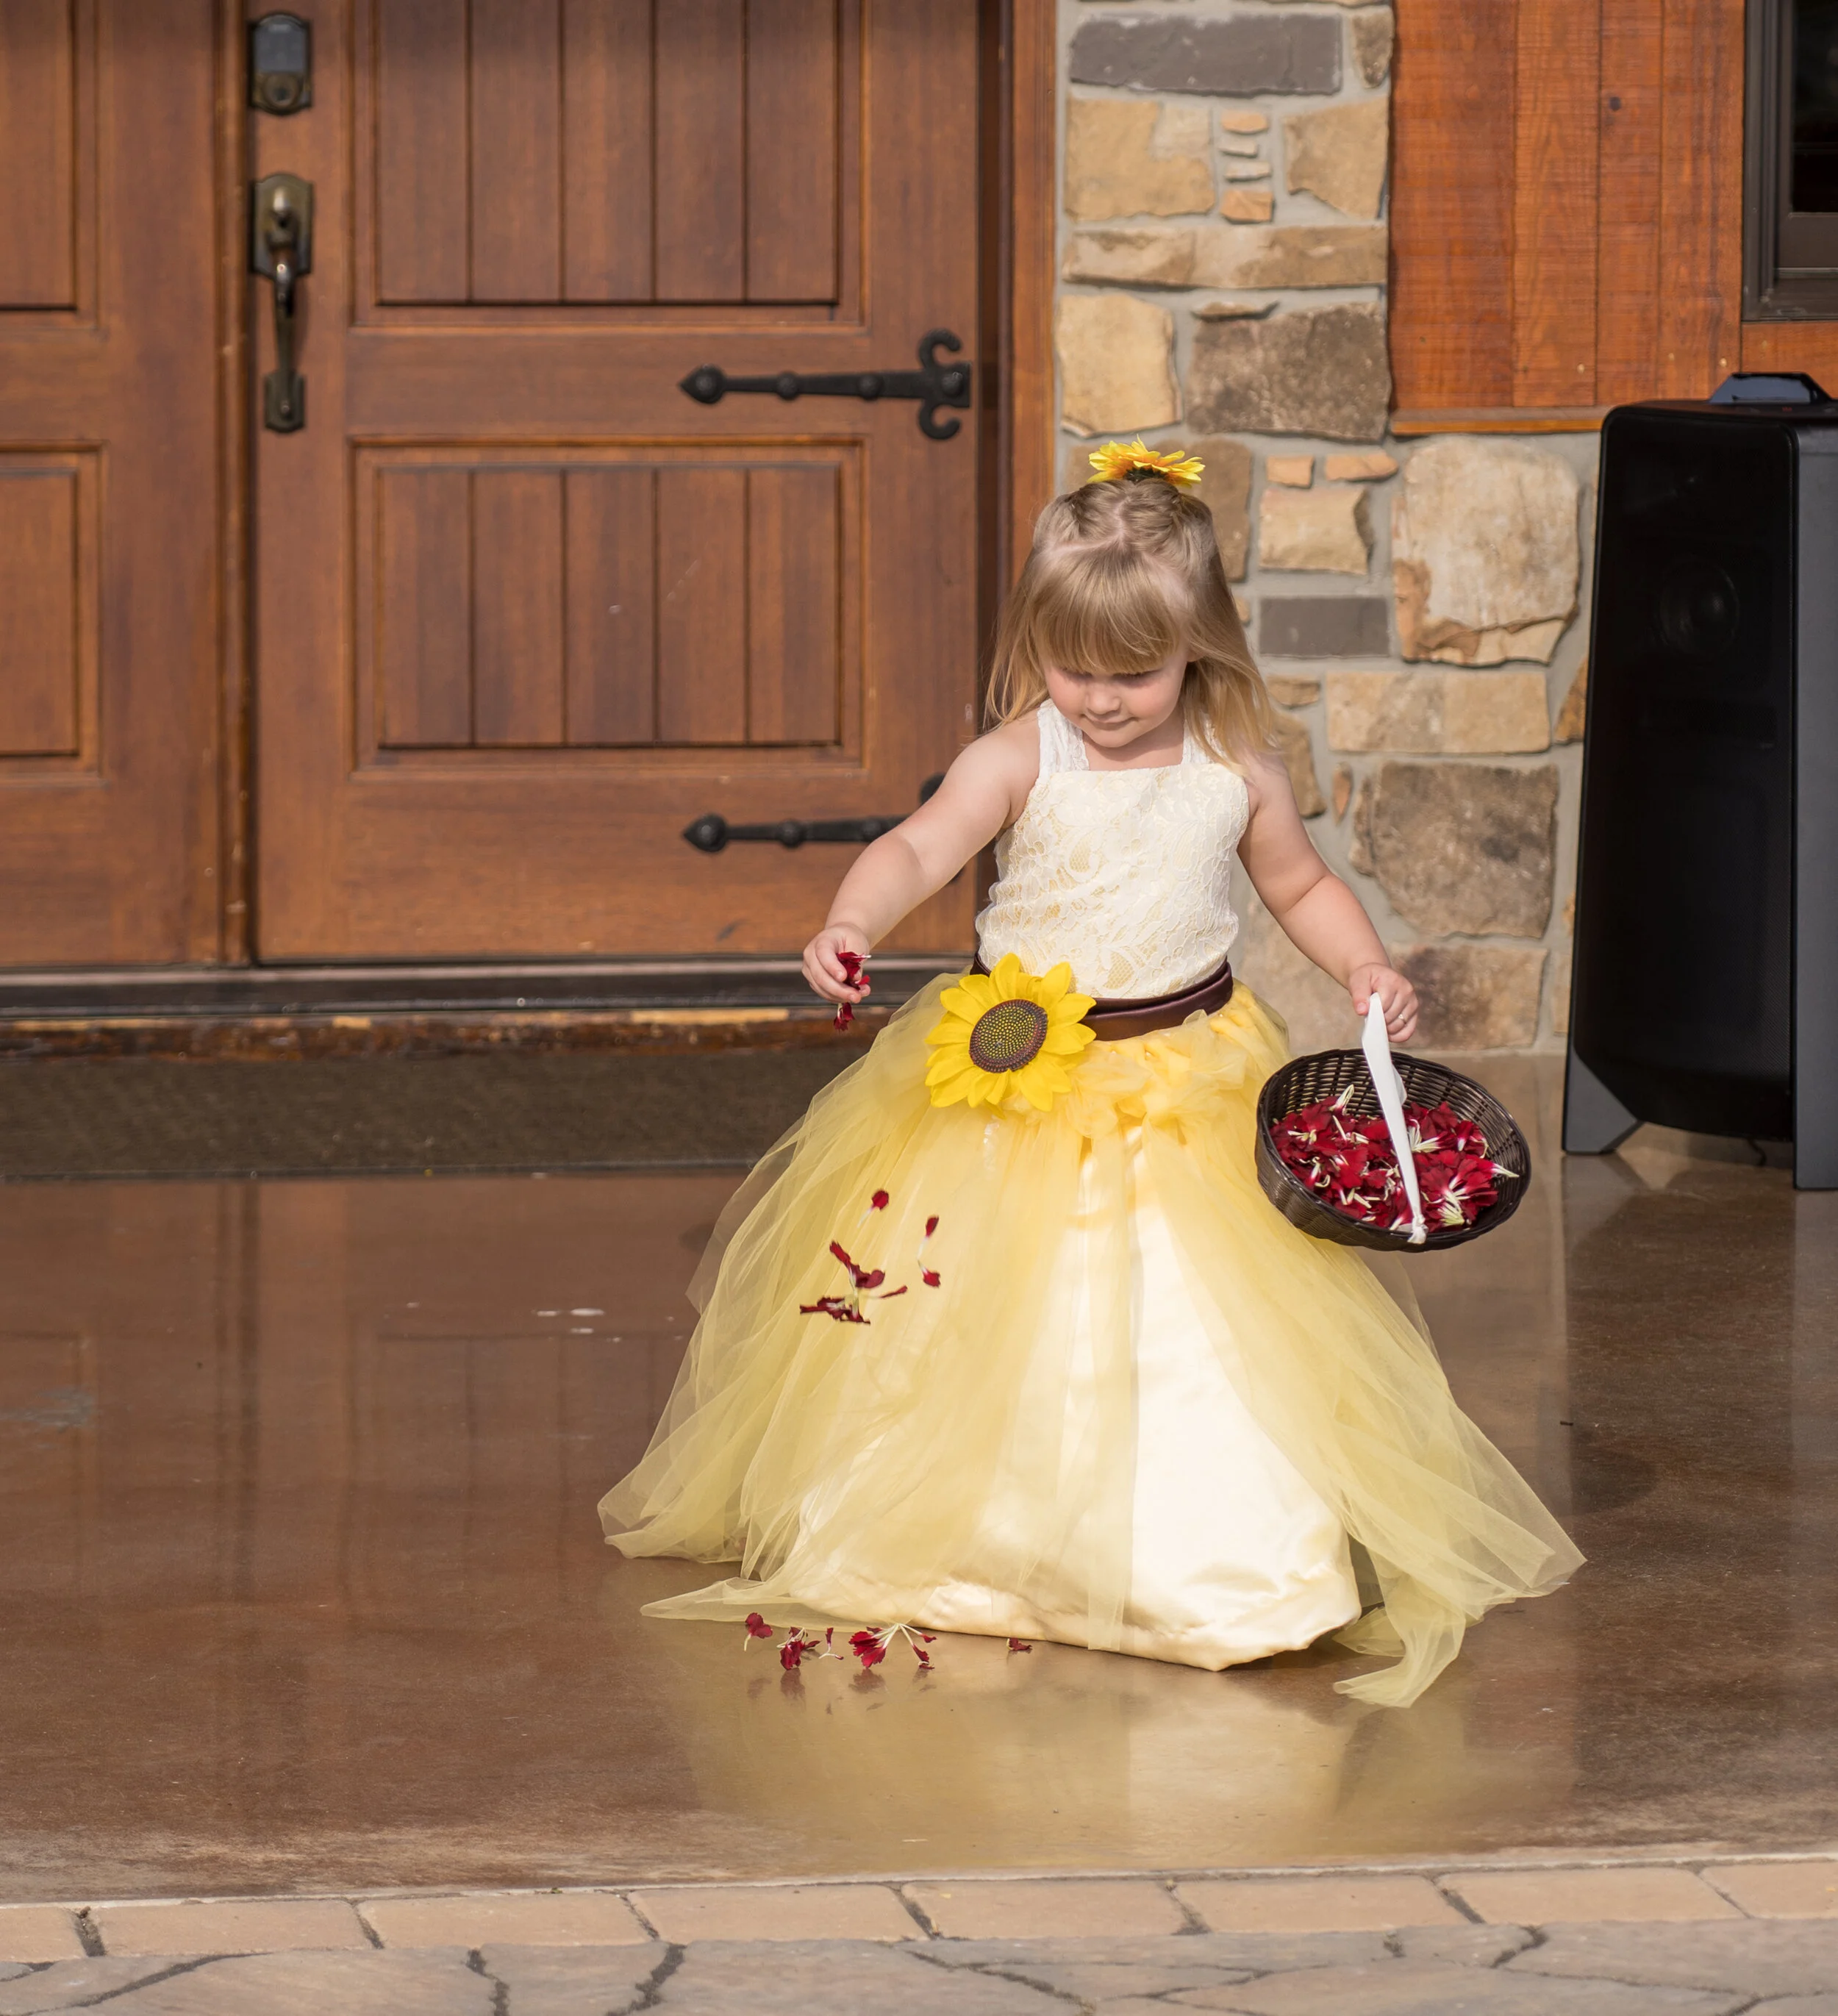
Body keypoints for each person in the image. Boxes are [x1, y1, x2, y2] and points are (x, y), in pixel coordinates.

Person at [600, 440, 1581, 1707]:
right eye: (1075, 670)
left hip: (1189, 1079)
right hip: (1018, 1082)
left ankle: (1212, 1567)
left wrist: (1364, 965)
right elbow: (917, 845)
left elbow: (1298, 884)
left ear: (1201, 650)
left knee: (1196, 1326)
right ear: (1034, 645)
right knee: (992, 1312)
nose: (1104, 701)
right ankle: (980, 1546)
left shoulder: (1234, 770)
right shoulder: (1023, 756)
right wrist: (851, 920)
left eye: (1137, 674)